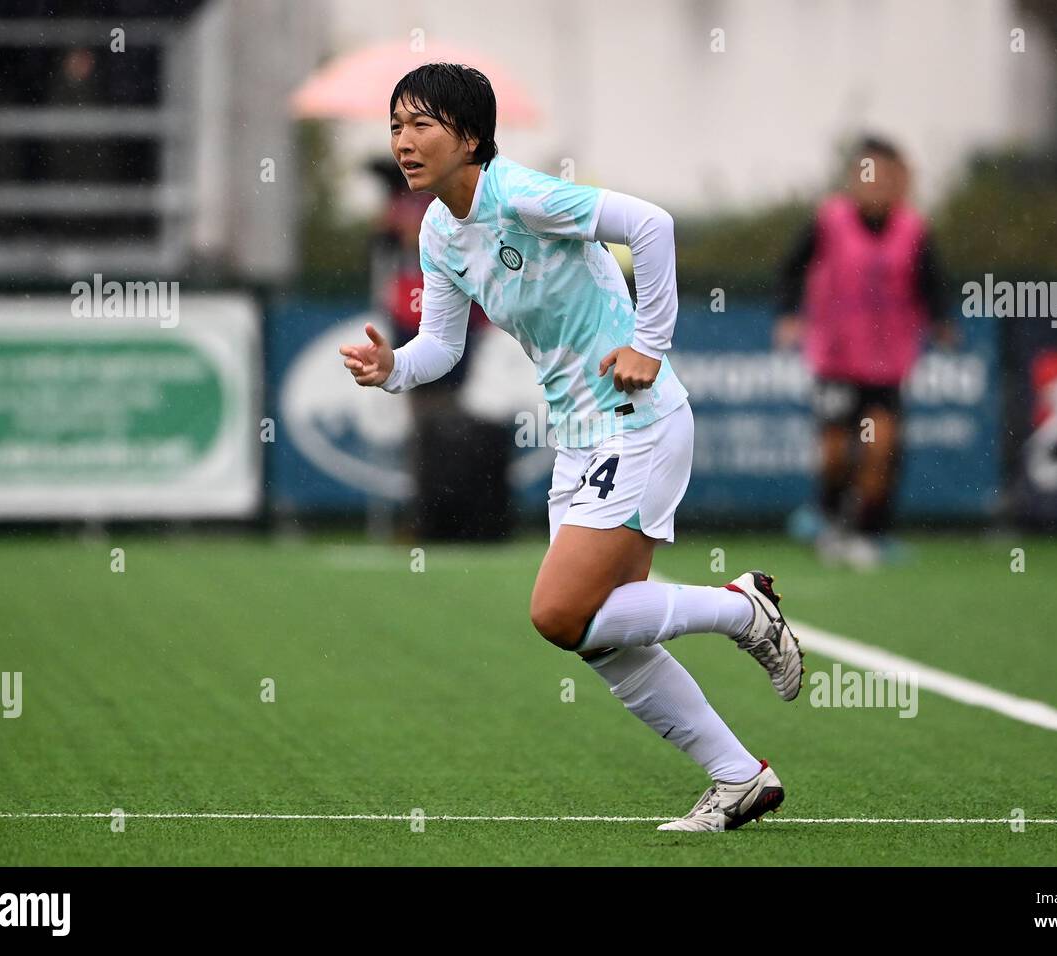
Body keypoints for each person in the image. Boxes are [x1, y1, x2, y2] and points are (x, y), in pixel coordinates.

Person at [340, 63, 803, 831]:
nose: (404, 141)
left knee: (559, 614)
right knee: (602, 635)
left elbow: (652, 227)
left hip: (637, 418)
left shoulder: (521, 194)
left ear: (471, 136)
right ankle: (737, 777)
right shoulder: (436, 230)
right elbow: (443, 348)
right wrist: (393, 369)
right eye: (395, 125)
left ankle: (739, 608)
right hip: (580, 436)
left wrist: (649, 344)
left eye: (422, 124)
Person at [775, 137, 953, 569]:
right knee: (835, 451)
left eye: (884, 177)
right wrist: (789, 314)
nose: (874, 186)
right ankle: (830, 516)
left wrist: (942, 322)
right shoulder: (830, 221)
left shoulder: (913, 229)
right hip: (836, 360)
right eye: (865, 175)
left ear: (899, 182)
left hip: (886, 365)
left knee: (879, 445)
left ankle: (868, 530)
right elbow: (791, 268)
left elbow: (931, 284)